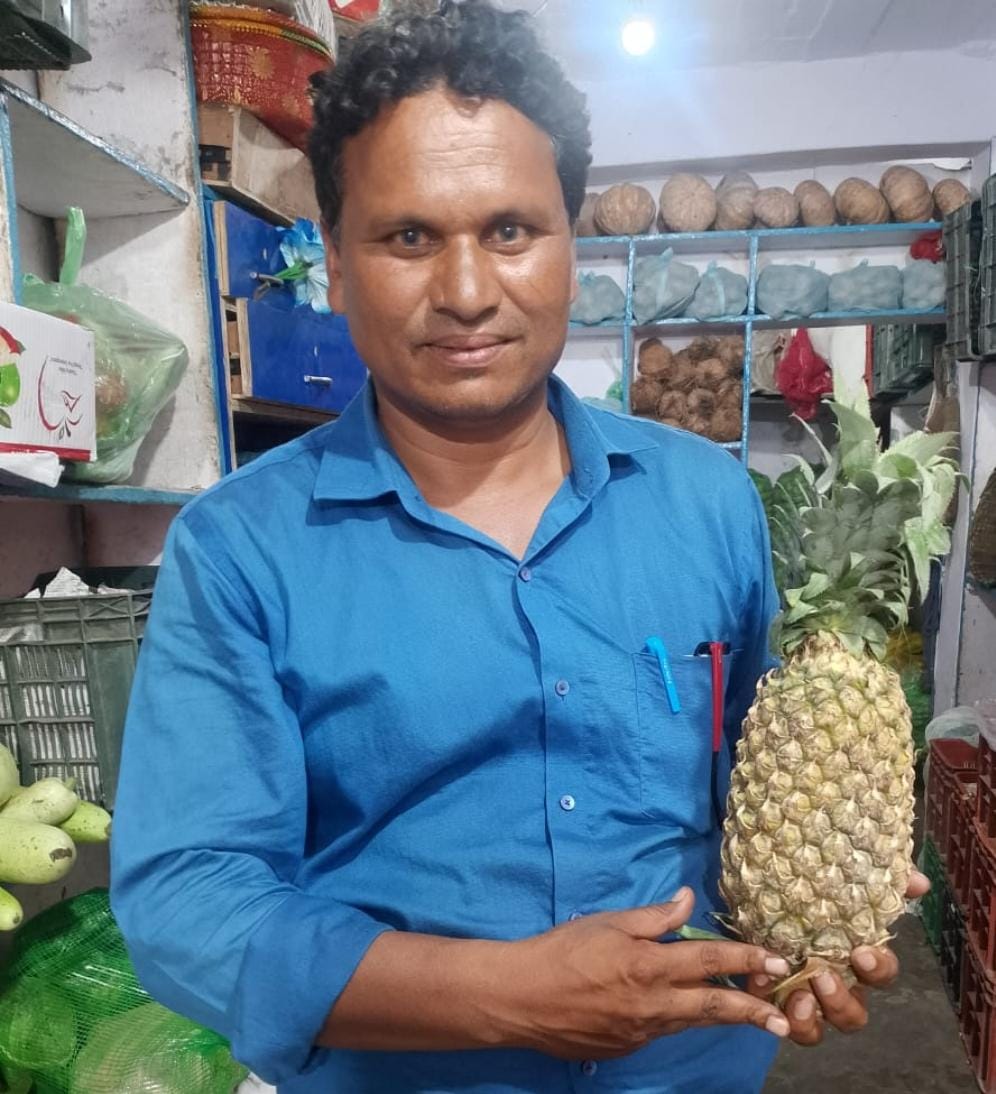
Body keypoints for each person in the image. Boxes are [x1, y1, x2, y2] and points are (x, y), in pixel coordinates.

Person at [111, 3, 927, 1092]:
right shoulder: (239, 548)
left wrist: (826, 883)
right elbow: (187, 900)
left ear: (571, 248)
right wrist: (507, 995)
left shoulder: (709, 500)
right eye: (409, 237)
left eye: (509, 231)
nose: (465, 292)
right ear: (337, 266)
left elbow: (756, 765)